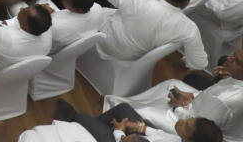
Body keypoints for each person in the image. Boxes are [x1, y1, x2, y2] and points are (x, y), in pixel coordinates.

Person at [68, 0, 207, 70]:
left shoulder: (138, 0)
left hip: (103, 42)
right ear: (186, 2)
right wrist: (185, 63)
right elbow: (200, 63)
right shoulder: (189, 28)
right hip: (133, 57)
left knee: (93, 8)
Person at [103, 48, 243, 138]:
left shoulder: (227, 101)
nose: (229, 59)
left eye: (237, 61)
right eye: (234, 55)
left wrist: (177, 107)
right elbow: (211, 95)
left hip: (199, 133)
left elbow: (200, 127)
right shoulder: (236, 78)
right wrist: (191, 96)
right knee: (171, 84)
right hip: (199, 113)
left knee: (143, 112)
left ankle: (122, 114)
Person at [54, 98, 224, 142]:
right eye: (189, 120)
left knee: (82, 116)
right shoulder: (180, 138)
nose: (181, 122)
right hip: (142, 139)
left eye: (186, 126)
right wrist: (136, 126)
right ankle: (91, 127)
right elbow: (159, 134)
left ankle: (74, 120)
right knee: (123, 109)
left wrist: (120, 130)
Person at [32, 0, 107, 53]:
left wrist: (42, 13)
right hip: (71, 36)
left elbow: (36, 33)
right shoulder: (97, 8)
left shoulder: (55, 25)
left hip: (47, 49)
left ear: (78, 10)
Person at [0, 4, 53, 73]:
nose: (21, 8)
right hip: (16, 71)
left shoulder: (8, 38)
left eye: (24, 10)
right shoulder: (47, 35)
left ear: (25, 27)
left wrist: (4, 24)